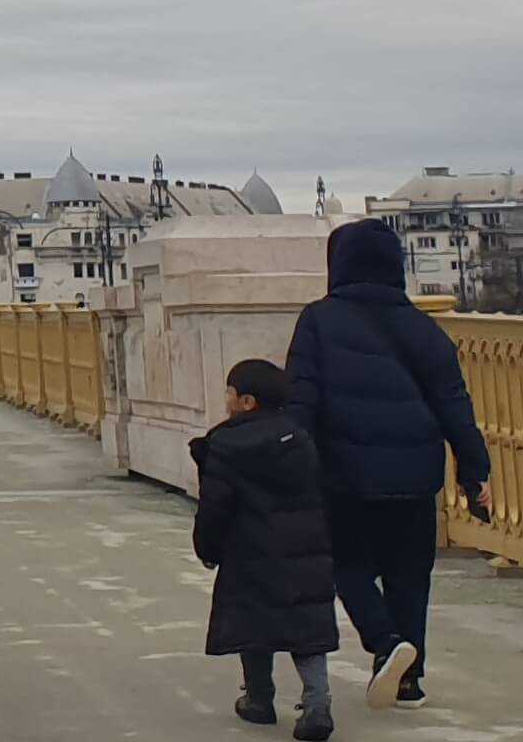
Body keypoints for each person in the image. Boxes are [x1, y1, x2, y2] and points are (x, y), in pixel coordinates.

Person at [286, 216, 492, 710]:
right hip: (416, 473)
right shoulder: (425, 329)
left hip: (344, 472)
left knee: (347, 564)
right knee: (410, 573)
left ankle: (385, 642)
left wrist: (293, 465)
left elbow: (301, 401)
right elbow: (455, 406)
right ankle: (410, 678)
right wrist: (474, 473)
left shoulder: (318, 321)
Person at [195, 358, 337, 737]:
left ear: (247, 402)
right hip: (306, 549)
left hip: (249, 552)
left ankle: (259, 699)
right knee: (308, 627)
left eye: (229, 392)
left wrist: (208, 548)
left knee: (252, 620)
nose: (226, 399)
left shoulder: (226, 444)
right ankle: (317, 703)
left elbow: (215, 506)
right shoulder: (300, 439)